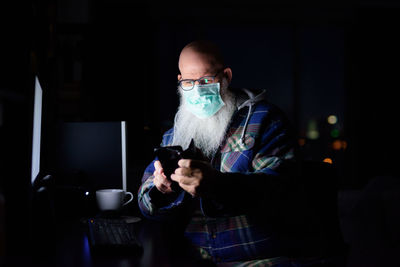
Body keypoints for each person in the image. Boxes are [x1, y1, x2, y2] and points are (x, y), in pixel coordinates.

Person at [137, 40, 340, 266]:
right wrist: (159, 189)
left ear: (226, 76)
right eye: (188, 81)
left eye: (206, 80)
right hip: (195, 257)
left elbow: (281, 190)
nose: (197, 88)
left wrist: (217, 185)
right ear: (179, 81)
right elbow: (145, 202)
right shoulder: (176, 134)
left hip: (261, 258)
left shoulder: (265, 121)